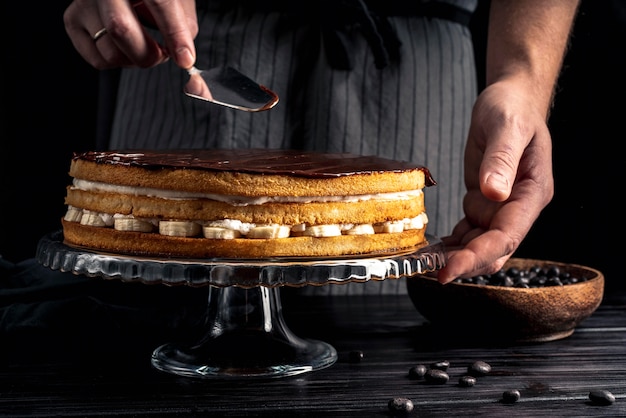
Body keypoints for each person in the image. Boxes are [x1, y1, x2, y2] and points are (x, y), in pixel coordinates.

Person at [62, 0, 580, 290]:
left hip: (410, 70)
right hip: (191, 47)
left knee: (388, 339)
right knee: (142, 327)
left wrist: (522, 77)